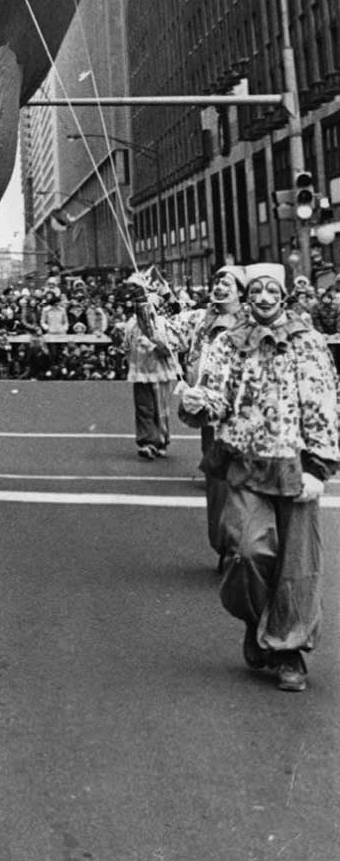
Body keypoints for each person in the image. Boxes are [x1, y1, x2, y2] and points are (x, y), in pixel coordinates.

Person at [180, 262, 339, 692]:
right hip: (245, 462)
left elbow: (323, 401)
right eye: (257, 291)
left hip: (294, 466)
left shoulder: (307, 342)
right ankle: (255, 620)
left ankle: (288, 651)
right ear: (248, 296)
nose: (265, 298)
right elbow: (216, 394)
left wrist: (318, 467)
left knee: (297, 565)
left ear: (283, 293)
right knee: (248, 550)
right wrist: (198, 400)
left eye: (273, 290)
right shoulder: (230, 342)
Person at [176, 264, 245, 560]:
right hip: (212, 412)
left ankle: (243, 543)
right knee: (217, 481)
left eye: (227, 282)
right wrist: (144, 302)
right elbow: (161, 332)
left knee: (246, 479)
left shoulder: (252, 320)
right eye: (216, 281)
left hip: (247, 412)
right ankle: (225, 546)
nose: (219, 287)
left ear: (241, 291)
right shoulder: (198, 319)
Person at [121, 272, 180, 459]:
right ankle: (148, 441)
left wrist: (155, 345)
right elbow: (126, 346)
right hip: (140, 372)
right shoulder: (131, 324)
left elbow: (173, 346)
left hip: (160, 371)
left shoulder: (162, 324)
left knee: (160, 408)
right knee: (144, 407)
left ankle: (161, 439)